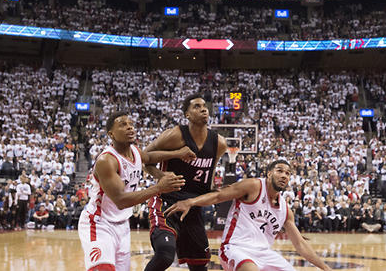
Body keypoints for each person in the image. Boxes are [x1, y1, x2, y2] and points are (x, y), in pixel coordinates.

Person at [78, 111, 195, 271]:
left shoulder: (135, 152)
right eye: (123, 125)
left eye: (131, 124)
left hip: (122, 225)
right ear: (111, 134)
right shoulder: (107, 161)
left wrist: (177, 153)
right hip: (99, 224)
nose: (130, 127)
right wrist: (159, 187)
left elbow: (149, 157)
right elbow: (121, 201)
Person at [164, 160, 332, 271]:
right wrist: (191, 202)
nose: (284, 175)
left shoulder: (286, 210)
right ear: (269, 174)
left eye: (288, 173)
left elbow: (300, 244)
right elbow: (219, 196)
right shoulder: (253, 186)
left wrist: (326, 268)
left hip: (265, 253)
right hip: (235, 248)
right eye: (279, 171)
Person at [143, 94, 228, 271]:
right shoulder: (174, 135)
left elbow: (209, 173)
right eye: (197, 106)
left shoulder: (219, 143)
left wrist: (213, 189)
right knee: (165, 255)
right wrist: (162, 174)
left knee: (199, 266)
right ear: (187, 115)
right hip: (167, 201)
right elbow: (144, 158)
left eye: (204, 105)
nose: (203, 109)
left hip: (192, 207)